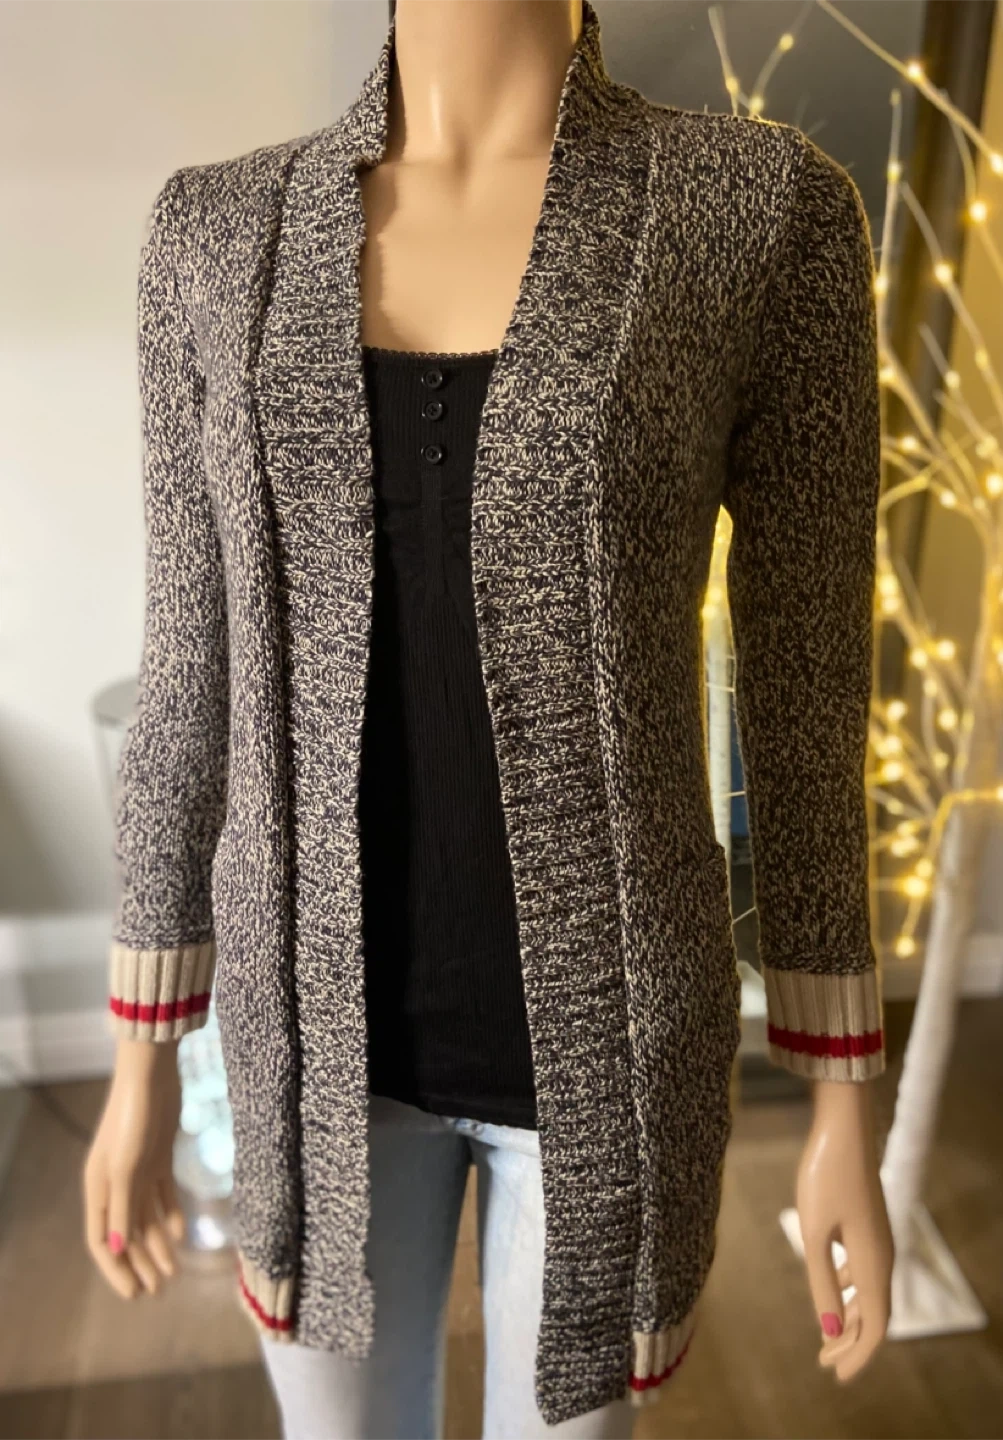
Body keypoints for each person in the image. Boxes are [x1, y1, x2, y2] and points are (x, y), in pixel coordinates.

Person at [83, 2, 894, 1437]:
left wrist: (843, 1104)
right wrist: (140, 1061)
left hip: (611, 1066)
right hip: (310, 1059)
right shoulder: (214, 235)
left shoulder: (757, 215)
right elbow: (189, 669)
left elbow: (808, 689)